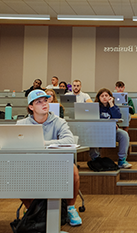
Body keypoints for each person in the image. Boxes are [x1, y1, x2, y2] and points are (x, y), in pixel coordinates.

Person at [17, 90, 82, 226]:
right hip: (31, 164)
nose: (44, 104)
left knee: (73, 171)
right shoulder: (22, 124)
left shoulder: (59, 121)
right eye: (39, 102)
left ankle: (70, 208)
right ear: (31, 107)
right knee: (16, 174)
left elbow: (69, 140)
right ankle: (32, 210)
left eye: (45, 100)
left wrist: (43, 143)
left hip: (55, 163)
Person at [88, 88, 132, 169]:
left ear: (110, 97)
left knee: (124, 135)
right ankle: (95, 159)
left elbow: (118, 117)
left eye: (106, 95)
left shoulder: (114, 107)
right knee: (91, 134)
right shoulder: (95, 108)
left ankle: (122, 160)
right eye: (102, 96)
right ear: (99, 97)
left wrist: (111, 104)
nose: (104, 97)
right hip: (98, 131)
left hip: (112, 131)